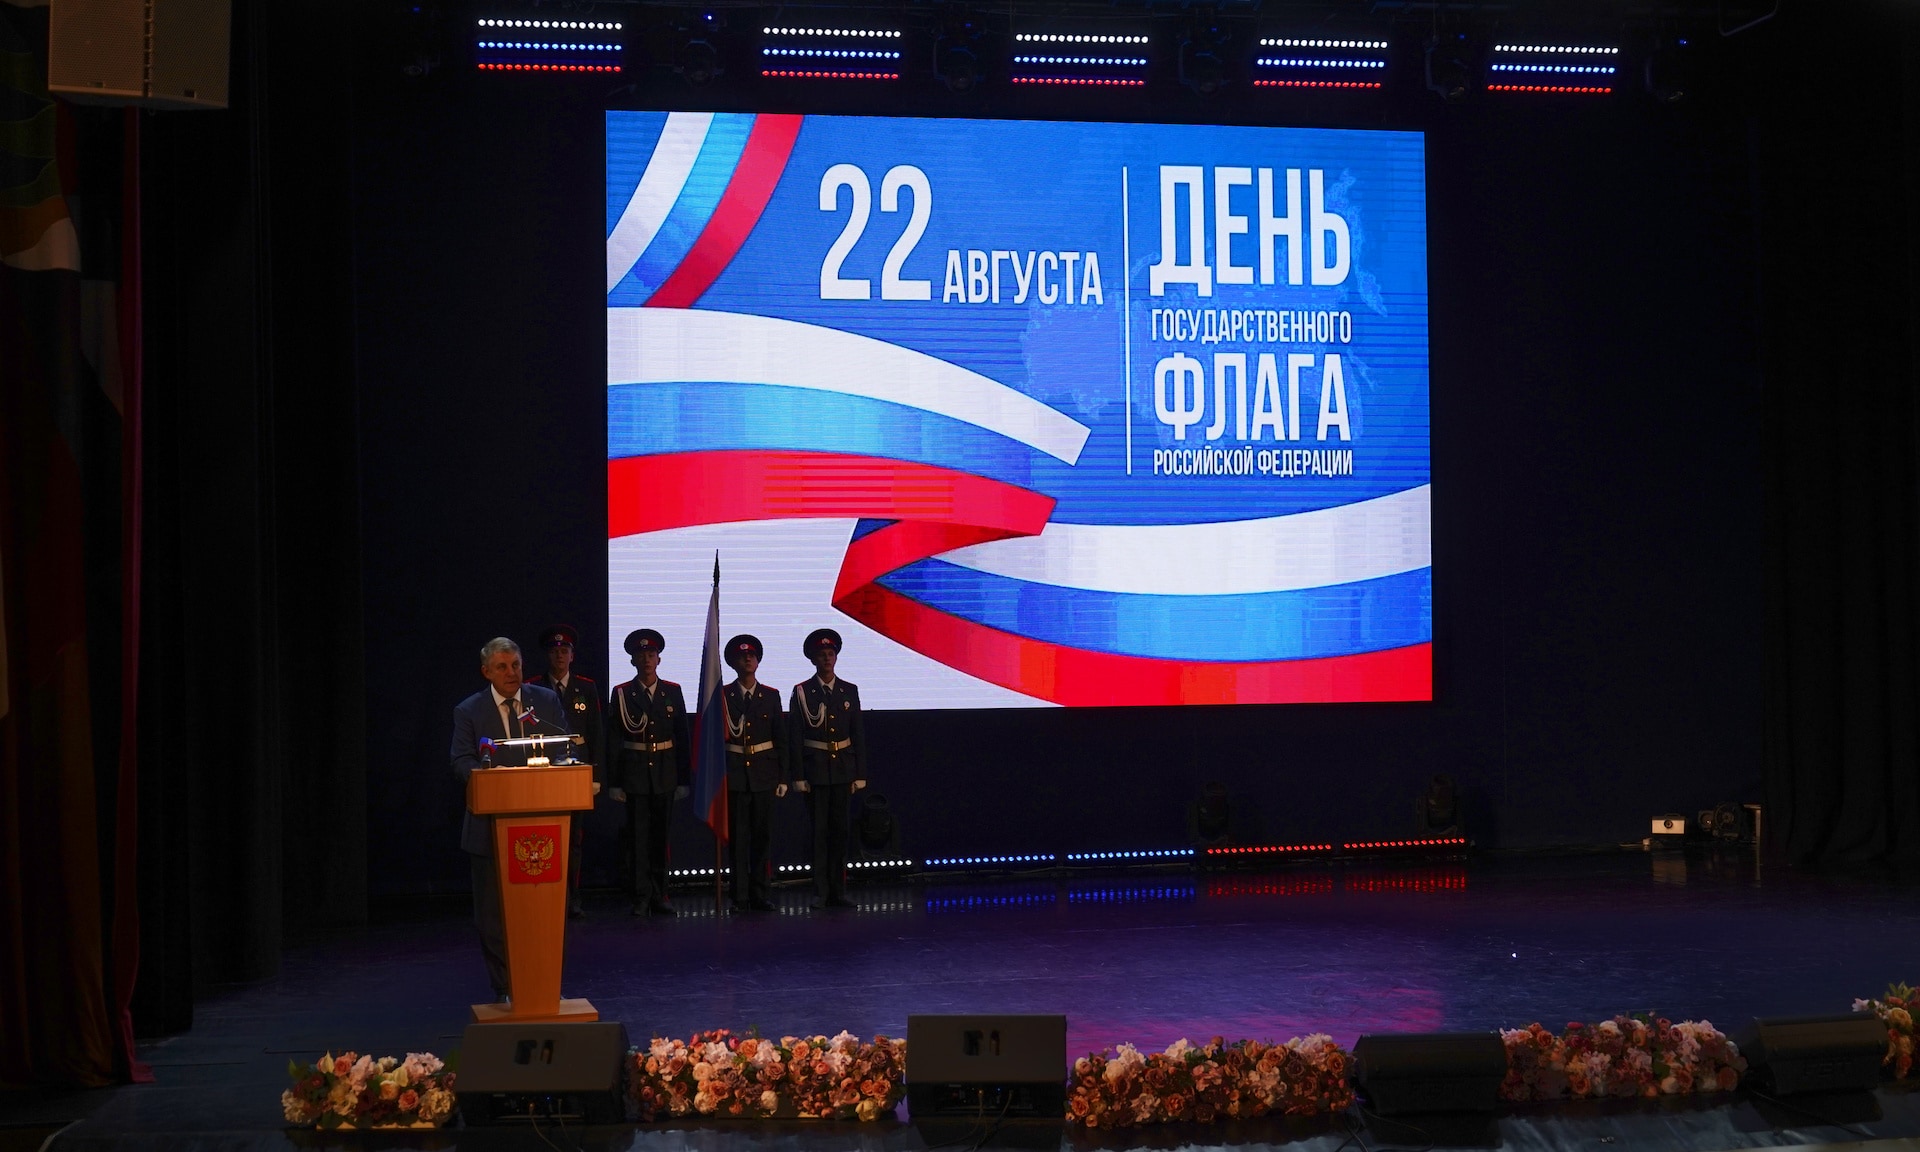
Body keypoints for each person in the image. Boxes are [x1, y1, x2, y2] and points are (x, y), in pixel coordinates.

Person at [449, 637, 571, 1002]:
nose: (511, 673)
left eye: (515, 665)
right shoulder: (469, 711)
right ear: (486, 672)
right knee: (493, 916)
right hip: (489, 829)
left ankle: (543, 985)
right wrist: (489, 780)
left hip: (542, 826)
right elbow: (461, 761)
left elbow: (564, 749)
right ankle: (505, 988)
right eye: (502, 667)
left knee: (541, 913)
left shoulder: (545, 702)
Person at [606, 628, 690, 917]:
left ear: (659, 659)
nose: (646, 659)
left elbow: (682, 737)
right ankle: (640, 896)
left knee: (660, 838)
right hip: (635, 775)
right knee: (638, 839)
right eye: (641, 655)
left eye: (651, 654)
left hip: (665, 773)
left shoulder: (672, 691)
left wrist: (683, 779)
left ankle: (660, 894)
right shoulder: (622, 693)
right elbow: (613, 740)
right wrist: (615, 782)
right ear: (632, 660)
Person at [527, 624, 602, 919]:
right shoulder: (533, 687)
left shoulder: (586, 687)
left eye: (564, 651)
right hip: (543, 769)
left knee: (574, 839)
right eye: (554, 651)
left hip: (576, 771)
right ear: (548, 655)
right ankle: (547, 894)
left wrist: (595, 775)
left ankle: (573, 897)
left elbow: (595, 734)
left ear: (572, 656)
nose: (559, 656)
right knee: (545, 835)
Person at [789, 628, 867, 910]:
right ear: (813, 659)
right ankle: (821, 892)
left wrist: (860, 773)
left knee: (840, 833)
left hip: (843, 770)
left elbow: (857, 734)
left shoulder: (849, 690)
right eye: (821, 655)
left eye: (830, 654)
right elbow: (795, 736)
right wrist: (798, 775)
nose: (826, 659)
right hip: (816, 771)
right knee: (820, 834)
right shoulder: (802, 692)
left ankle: (839, 891)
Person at [721, 634, 787, 912]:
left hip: (764, 774)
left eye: (752, 656)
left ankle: (760, 893)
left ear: (758, 661)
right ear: (733, 663)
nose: (748, 659)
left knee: (762, 837)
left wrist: (782, 777)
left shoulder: (770, 695)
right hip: (735, 775)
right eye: (742, 656)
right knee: (738, 839)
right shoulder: (723, 695)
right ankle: (739, 896)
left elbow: (780, 738)